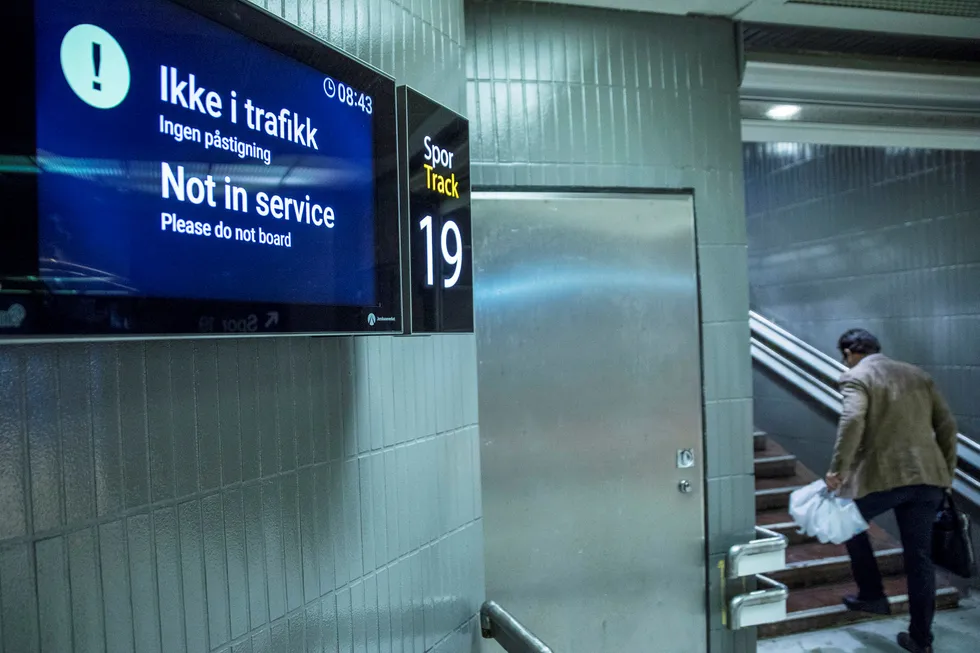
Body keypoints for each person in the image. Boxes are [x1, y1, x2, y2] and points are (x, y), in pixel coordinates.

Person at [825, 328, 958, 653]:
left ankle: (872, 594)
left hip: (885, 478)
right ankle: (921, 640)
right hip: (929, 479)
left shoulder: (856, 376)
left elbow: (853, 418)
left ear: (848, 353)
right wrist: (946, 473)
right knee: (920, 559)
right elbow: (947, 425)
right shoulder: (917, 374)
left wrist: (838, 470)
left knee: (845, 521)